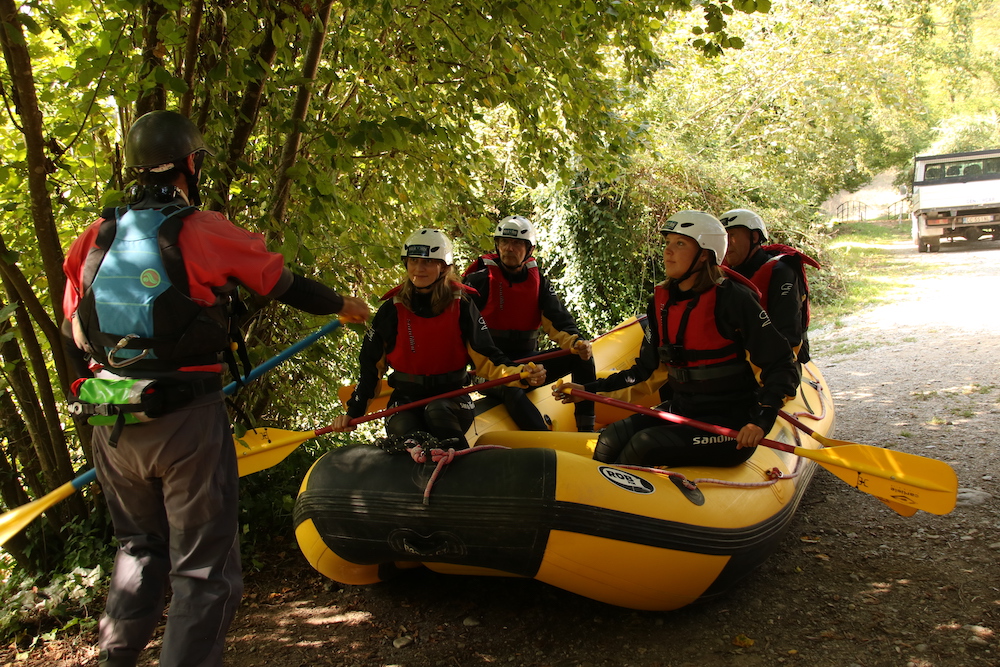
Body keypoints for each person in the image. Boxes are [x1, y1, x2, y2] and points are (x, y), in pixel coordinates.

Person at [60, 110, 370, 667]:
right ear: (190, 163)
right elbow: (282, 282)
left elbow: (73, 329)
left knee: (137, 549)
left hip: (110, 418)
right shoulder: (201, 230)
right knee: (204, 569)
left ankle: (116, 660)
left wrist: (97, 388)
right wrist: (345, 306)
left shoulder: (93, 240)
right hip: (185, 421)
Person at [555, 210, 798, 467]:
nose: (668, 251)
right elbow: (644, 372)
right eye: (667, 243)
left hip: (731, 425)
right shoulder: (661, 302)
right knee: (611, 437)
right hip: (684, 411)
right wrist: (589, 391)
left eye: (680, 243)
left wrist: (762, 419)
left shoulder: (734, 299)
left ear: (705, 253)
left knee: (645, 444)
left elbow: (780, 363)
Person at [332, 228, 546, 447]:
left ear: (443, 267)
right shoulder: (391, 311)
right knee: (405, 431)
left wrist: (519, 373)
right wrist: (353, 412)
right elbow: (370, 370)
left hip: (453, 400)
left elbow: (488, 356)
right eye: (413, 261)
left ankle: (460, 462)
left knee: (437, 410)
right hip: (405, 401)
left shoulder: (462, 305)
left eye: (427, 262)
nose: (418, 269)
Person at [463, 216, 597, 432]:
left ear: (529, 250)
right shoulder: (477, 282)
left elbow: (559, 320)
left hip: (527, 364)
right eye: (504, 242)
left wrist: (577, 341)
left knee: (582, 356)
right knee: (512, 388)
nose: (509, 248)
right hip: (491, 369)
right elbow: (461, 331)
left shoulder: (538, 282)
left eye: (516, 244)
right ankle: (546, 442)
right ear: (497, 245)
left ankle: (586, 430)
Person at [719, 208, 820, 364]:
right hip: (742, 359)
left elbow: (787, 330)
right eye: (723, 238)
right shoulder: (723, 273)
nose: (726, 245)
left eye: (732, 236)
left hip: (780, 358)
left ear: (754, 237)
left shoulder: (782, 271)